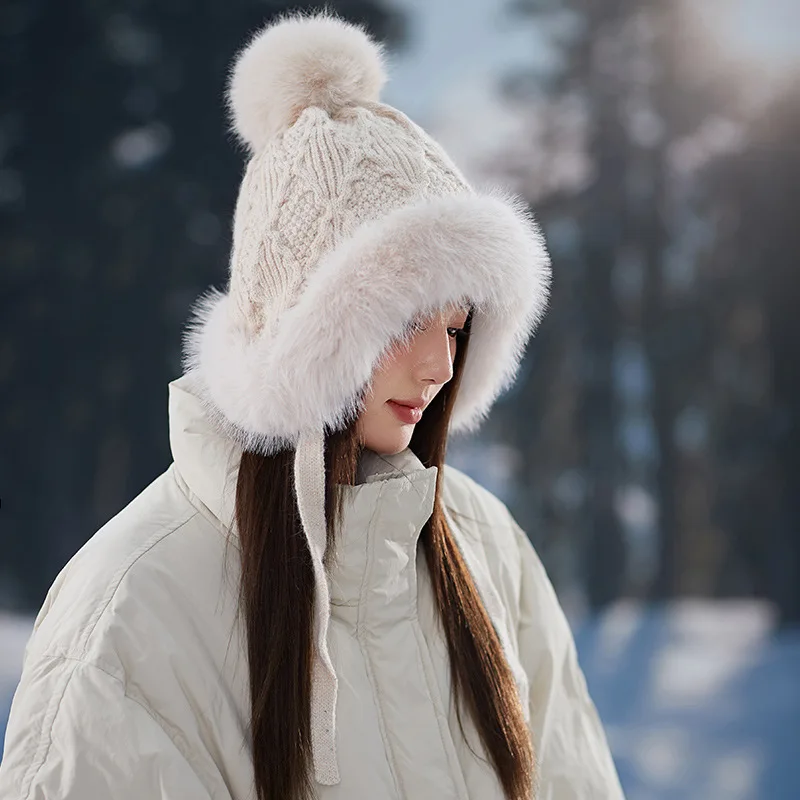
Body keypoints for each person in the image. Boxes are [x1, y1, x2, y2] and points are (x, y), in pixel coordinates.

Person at [0, 10, 625, 800]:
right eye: (403, 319)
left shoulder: (485, 544)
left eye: (458, 324)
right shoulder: (129, 617)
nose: (440, 364)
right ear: (306, 333)